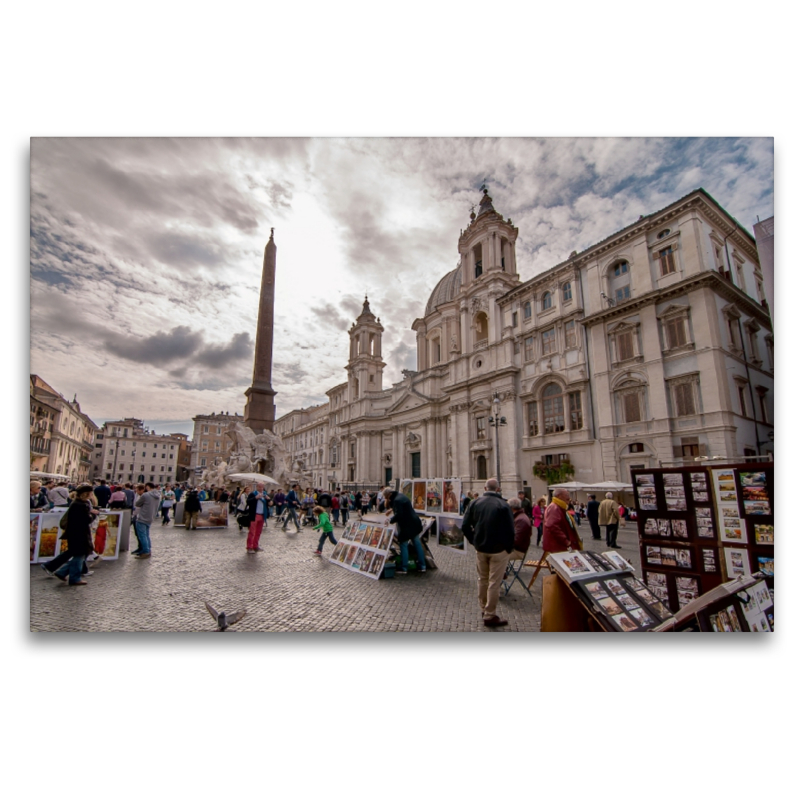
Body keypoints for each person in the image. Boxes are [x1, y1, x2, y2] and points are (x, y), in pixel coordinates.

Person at [461, 478, 515, 628]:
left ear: (485, 488)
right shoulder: (504, 505)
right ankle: (490, 615)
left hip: (481, 548)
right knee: (494, 582)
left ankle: (483, 609)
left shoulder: (474, 503)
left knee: (482, 579)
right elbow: (511, 531)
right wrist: (508, 548)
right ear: (498, 489)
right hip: (499, 550)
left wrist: (474, 541)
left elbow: (465, 526)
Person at [51, 483, 97, 586]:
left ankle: (62, 572)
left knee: (79, 555)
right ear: (86, 494)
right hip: (79, 533)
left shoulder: (76, 503)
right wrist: (93, 514)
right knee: (79, 555)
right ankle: (74, 578)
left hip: (76, 532)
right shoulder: (80, 505)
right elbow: (86, 520)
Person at [383, 488, 426, 575]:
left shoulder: (396, 500)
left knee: (403, 545)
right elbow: (404, 507)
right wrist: (391, 510)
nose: (388, 499)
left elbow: (399, 515)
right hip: (414, 523)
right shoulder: (401, 496)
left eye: (387, 497)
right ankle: (422, 566)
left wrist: (390, 520)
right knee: (417, 544)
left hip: (406, 526)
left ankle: (404, 567)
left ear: (389, 495)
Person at [542, 488, 581, 553]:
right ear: (559, 496)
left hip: (560, 546)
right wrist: (565, 541)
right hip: (557, 547)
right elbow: (552, 526)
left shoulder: (560, 507)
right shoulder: (554, 508)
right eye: (566, 495)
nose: (569, 497)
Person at [133, 482, 160, 558]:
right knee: (146, 535)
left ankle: (145, 551)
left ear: (147, 487)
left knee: (142, 536)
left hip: (142, 517)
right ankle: (148, 549)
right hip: (150, 517)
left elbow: (137, 504)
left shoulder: (145, 495)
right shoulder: (158, 495)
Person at [245, 483, 268, 554]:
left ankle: (255, 545)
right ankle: (249, 547)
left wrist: (270, 501)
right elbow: (248, 502)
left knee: (258, 532)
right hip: (254, 515)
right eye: (260, 487)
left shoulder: (265, 495)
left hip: (262, 514)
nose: (261, 489)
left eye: (262, 487)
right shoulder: (253, 494)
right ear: (257, 487)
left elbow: (268, 504)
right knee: (252, 532)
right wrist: (256, 498)